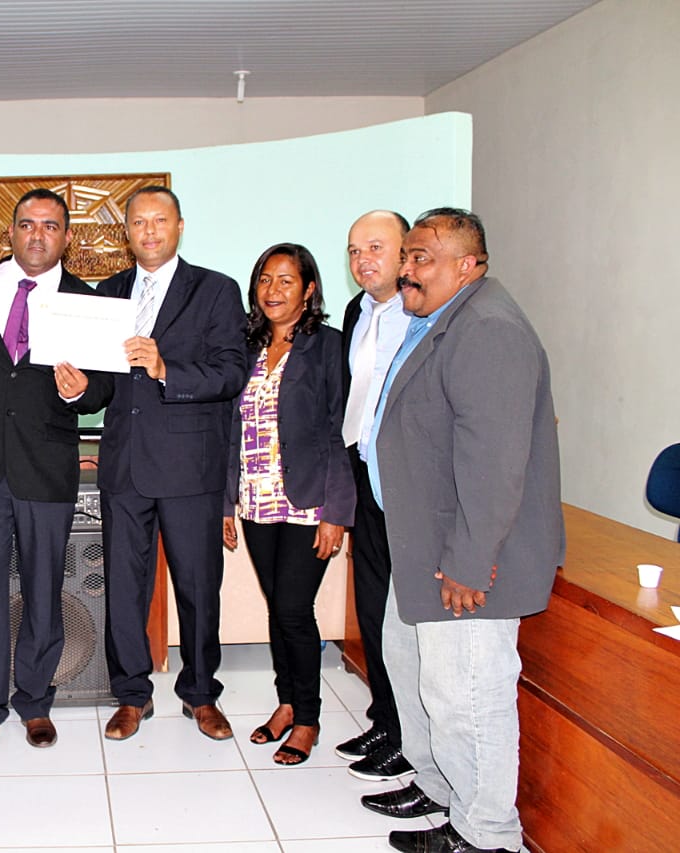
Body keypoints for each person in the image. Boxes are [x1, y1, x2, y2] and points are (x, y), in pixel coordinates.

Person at [363, 209, 562, 853]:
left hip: (464, 559)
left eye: (421, 257)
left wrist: (471, 563)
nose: (406, 270)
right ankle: (439, 788)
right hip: (420, 541)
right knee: (414, 671)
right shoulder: (440, 319)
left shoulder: (489, 330)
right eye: (407, 257)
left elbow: (494, 464)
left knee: (468, 696)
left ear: (468, 265)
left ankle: (487, 833)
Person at [0, 188, 112, 757]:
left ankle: (36, 701)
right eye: (26, 224)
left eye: (50, 225)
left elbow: (105, 383)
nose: (37, 234)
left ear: (66, 237)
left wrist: (82, 391)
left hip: (45, 464)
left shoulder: (85, 300)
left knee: (44, 589)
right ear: (11, 231)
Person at [91, 186, 247, 741]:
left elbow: (232, 372)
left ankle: (201, 694)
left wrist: (166, 370)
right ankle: (131, 695)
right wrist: (75, 387)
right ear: (126, 232)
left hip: (190, 467)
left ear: (180, 226)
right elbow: (101, 385)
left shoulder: (216, 289)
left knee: (198, 588)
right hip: (124, 466)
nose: (149, 231)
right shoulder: (108, 293)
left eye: (160, 220)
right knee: (123, 589)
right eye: (138, 222)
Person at [221, 243, 355, 765]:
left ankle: (308, 719)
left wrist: (336, 512)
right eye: (264, 280)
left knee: (296, 609)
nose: (272, 290)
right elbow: (230, 428)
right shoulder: (248, 345)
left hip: (308, 501)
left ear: (309, 289)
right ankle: (286, 702)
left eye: (285, 281)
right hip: (256, 499)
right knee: (278, 606)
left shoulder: (328, 347)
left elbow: (339, 432)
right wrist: (227, 501)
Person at [334, 211, 416, 781]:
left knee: (404, 616)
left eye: (376, 247)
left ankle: (410, 737)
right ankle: (386, 720)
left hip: (407, 483)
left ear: (406, 252)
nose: (363, 260)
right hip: (362, 474)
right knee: (372, 609)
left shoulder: (422, 314)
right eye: (354, 250)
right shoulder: (356, 312)